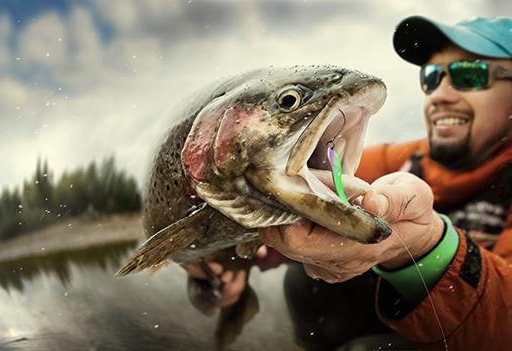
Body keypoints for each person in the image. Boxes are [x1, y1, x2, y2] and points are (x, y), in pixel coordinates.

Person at [185, 15, 512, 350]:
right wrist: (227, 261)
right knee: (305, 281)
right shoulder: (400, 159)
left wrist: (429, 246)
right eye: (432, 76)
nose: (440, 95)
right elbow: (283, 193)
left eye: (469, 75)